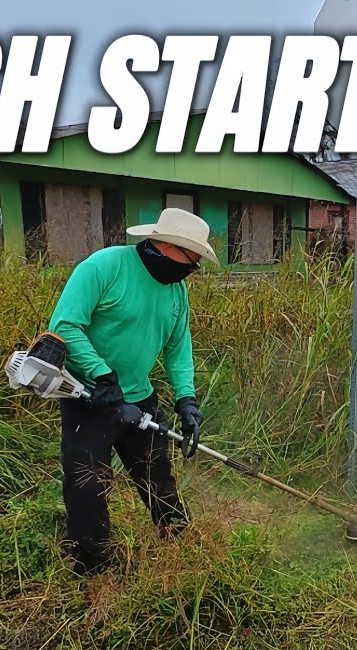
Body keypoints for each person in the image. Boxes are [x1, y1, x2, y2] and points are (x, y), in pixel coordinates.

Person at [46, 207, 219, 576]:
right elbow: (65, 325)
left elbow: (177, 346)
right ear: (167, 246)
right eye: (192, 261)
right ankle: (92, 567)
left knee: (158, 476)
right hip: (89, 398)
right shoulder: (104, 267)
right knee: (87, 484)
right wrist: (102, 375)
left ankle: (179, 547)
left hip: (140, 400)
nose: (192, 271)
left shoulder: (176, 290)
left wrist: (186, 398)